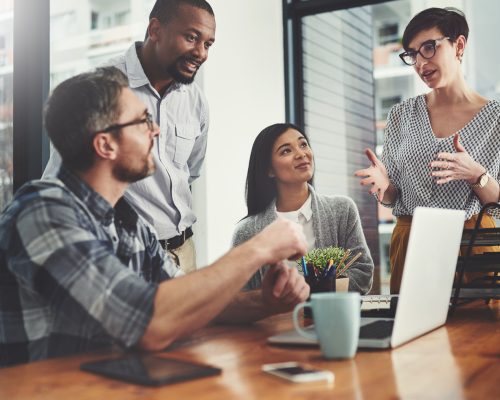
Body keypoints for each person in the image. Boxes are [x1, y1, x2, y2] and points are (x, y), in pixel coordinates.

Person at [0, 67, 310, 367]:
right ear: (105, 144)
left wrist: (266, 302)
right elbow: (148, 322)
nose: (157, 130)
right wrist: (257, 249)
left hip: (112, 386)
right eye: (144, 121)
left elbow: (187, 302)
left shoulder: (129, 221)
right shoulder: (43, 212)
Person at [43, 0, 216, 273]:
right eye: (192, 37)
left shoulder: (196, 101)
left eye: (208, 44)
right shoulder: (105, 87)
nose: (201, 53)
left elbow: (189, 172)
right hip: (122, 253)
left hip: (184, 250)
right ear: (155, 29)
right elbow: (62, 178)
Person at [354, 7, 500, 294]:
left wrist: (476, 175)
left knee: (478, 337)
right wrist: (384, 187)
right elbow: (395, 195)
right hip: (413, 244)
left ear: (459, 45)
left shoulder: (496, 119)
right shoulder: (401, 115)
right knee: (412, 336)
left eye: (429, 48)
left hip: (473, 247)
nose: (421, 63)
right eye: (413, 54)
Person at [232, 123, 374, 293]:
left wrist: (315, 293)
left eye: (303, 144)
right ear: (269, 169)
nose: (301, 154)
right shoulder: (246, 232)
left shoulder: (342, 210)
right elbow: (241, 295)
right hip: (275, 320)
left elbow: (363, 272)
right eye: (286, 151)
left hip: (331, 317)